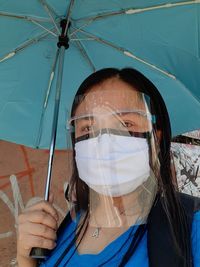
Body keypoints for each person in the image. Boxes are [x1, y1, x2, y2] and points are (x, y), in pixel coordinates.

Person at [17, 68, 200, 267]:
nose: (105, 141)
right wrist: (26, 258)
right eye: (87, 127)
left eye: (126, 123)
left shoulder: (189, 230)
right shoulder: (64, 229)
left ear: (155, 138)